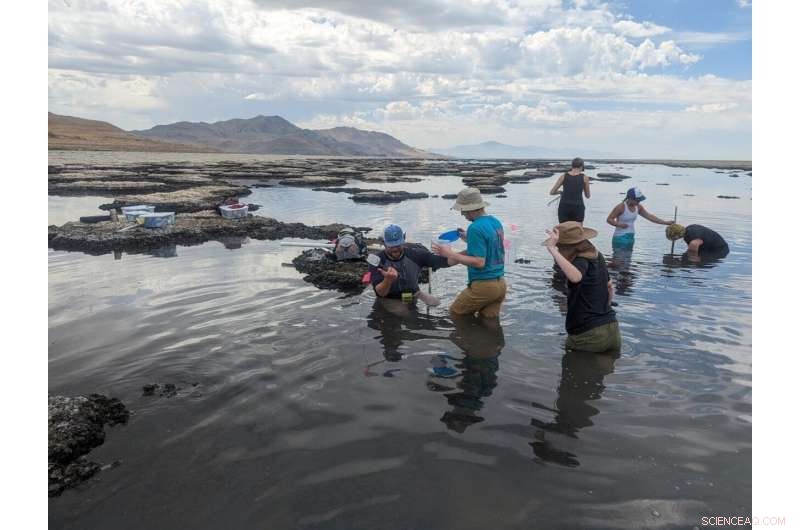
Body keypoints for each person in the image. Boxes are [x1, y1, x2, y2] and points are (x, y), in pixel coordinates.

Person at [543, 221, 621, 353]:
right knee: (599, 372)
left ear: (566, 247)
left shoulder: (580, 260)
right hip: (611, 327)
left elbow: (576, 277)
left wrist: (552, 249)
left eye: (560, 247)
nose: (560, 251)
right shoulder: (598, 256)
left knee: (576, 371)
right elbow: (609, 287)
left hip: (588, 334)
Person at [432, 188, 507, 320]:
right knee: (489, 321)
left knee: (455, 314)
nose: (462, 214)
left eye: (462, 210)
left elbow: (479, 262)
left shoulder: (475, 227)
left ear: (471, 208)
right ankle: (492, 341)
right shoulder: (495, 222)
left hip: (484, 285)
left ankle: (467, 340)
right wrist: (468, 238)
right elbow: (490, 245)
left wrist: (450, 253)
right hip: (500, 284)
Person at [369, 224, 451, 305]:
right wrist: (387, 280)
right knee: (405, 313)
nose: (395, 249)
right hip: (389, 298)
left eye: (398, 245)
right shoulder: (377, 260)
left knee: (436, 303)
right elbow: (380, 293)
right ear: (384, 243)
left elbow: (444, 262)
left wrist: (458, 255)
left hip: (413, 293)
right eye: (391, 246)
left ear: (403, 240)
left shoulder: (415, 254)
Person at [606, 187, 674, 247]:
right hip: (619, 238)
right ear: (630, 198)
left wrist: (666, 222)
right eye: (637, 200)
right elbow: (609, 219)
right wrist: (619, 224)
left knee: (628, 260)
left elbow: (650, 217)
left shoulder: (638, 207)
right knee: (619, 260)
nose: (638, 202)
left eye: (639, 200)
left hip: (631, 237)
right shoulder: (621, 207)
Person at [549, 157, 591, 224]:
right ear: (581, 166)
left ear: (572, 166)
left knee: (563, 230)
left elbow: (552, 192)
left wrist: (560, 192)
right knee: (578, 230)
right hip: (578, 207)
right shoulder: (585, 178)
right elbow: (588, 196)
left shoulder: (563, 176)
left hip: (564, 207)